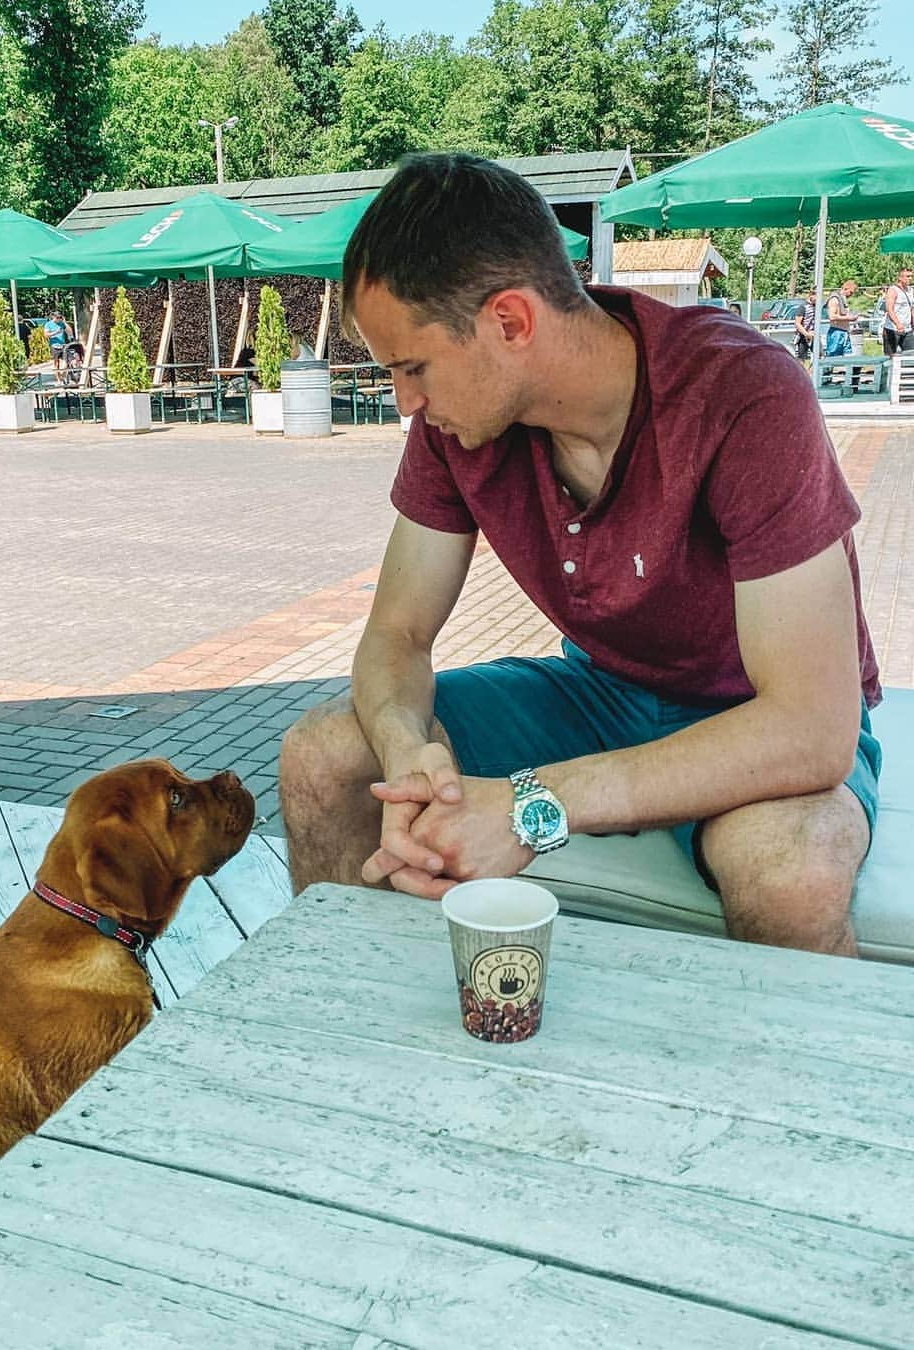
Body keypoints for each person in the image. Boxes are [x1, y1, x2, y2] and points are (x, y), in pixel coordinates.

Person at [278, 152, 881, 958]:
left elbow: (813, 727)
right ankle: (356, 1030)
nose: (406, 402)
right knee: (324, 757)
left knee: (788, 871)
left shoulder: (743, 394)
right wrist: (408, 754)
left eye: (412, 367)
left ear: (511, 322)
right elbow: (397, 636)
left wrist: (535, 804)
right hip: (600, 695)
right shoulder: (454, 427)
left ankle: (783, 1086)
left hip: (752, 714)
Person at [881, 266, 914, 356]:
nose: (910, 279)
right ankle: (887, 370)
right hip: (892, 329)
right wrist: (898, 324)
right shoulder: (893, 290)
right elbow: (889, 309)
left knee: (910, 355)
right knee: (890, 357)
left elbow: (911, 308)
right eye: (907, 276)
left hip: (908, 330)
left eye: (911, 276)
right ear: (900, 277)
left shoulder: (910, 290)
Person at [825, 279, 858, 357]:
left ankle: (848, 369)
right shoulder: (834, 299)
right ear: (845, 288)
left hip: (845, 332)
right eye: (851, 292)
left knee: (848, 357)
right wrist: (849, 318)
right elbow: (832, 316)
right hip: (836, 333)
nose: (851, 295)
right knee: (832, 357)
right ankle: (826, 369)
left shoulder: (843, 300)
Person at [43, 310, 71, 377]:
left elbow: (70, 332)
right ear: (53, 317)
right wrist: (56, 332)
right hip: (54, 346)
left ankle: (62, 375)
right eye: (57, 317)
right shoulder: (48, 324)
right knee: (56, 364)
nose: (58, 319)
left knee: (66, 362)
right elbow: (46, 335)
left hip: (63, 345)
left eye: (59, 317)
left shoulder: (62, 323)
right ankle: (58, 379)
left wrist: (65, 322)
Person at [794, 289, 816, 362]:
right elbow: (797, 323)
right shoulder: (803, 307)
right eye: (816, 296)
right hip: (803, 336)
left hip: (814, 335)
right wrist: (806, 334)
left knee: (819, 356)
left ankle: (811, 372)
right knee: (802, 358)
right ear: (811, 295)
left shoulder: (816, 306)